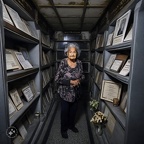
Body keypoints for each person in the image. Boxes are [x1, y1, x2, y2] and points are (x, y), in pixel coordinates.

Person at [55, 43, 85, 139]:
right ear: (67, 53)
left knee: (73, 111)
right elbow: (56, 79)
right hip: (65, 93)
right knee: (65, 112)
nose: (72, 54)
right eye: (70, 52)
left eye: (74, 52)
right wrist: (70, 82)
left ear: (77, 53)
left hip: (76, 93)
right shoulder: (63, 62)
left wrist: (79, 80)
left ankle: (71, 126)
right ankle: (63, 130)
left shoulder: (79, 63)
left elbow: (83, 75)